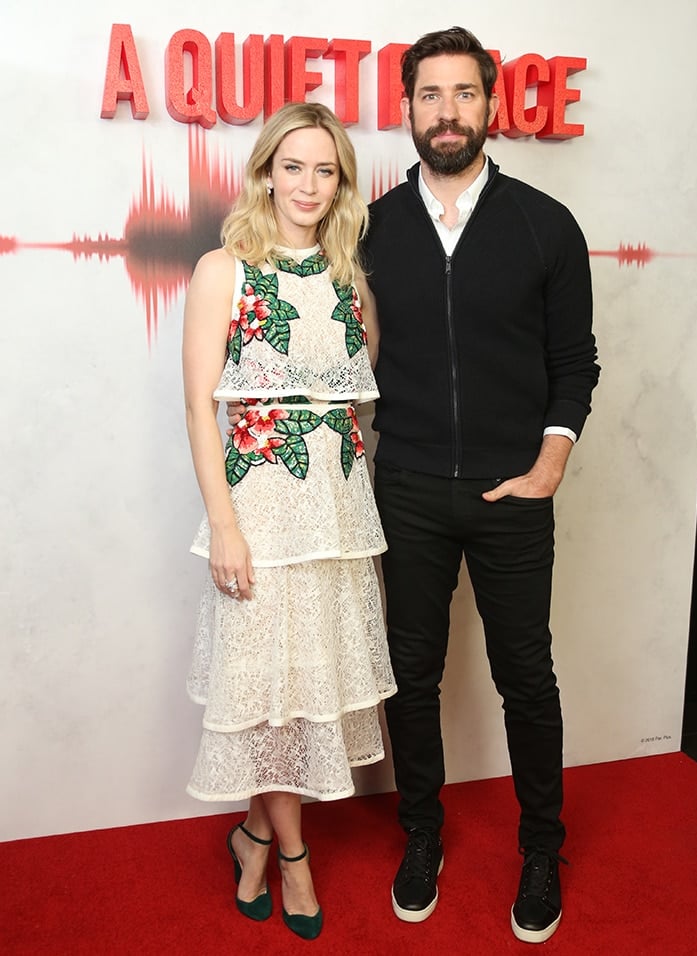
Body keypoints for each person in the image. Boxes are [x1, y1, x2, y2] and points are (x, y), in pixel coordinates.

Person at [361, 26, 600, 944]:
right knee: (411, 676)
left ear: (490, 107)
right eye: (430, 95)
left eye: (464, 94)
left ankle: (543, 848)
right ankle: (421, 835)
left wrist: (548, 465)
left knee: (525, 679)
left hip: (513, 494)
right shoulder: (374, 226)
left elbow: (572, 362)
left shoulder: (546, 223)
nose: (446, 112)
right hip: (410, 488)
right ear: (409, 108)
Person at [182, 101, 396, 942]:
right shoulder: (222, 269)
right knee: (268, 695)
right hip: (261, 511)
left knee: (307, 688)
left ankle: (253, 834)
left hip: (337, 513)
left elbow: (355, 388)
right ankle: (293, 856)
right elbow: (202, 411)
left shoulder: (348, 276)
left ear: (341, 182)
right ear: (267, 170)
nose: (308, 185)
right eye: (294, 166)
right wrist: (223, 525)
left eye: (326, 170)